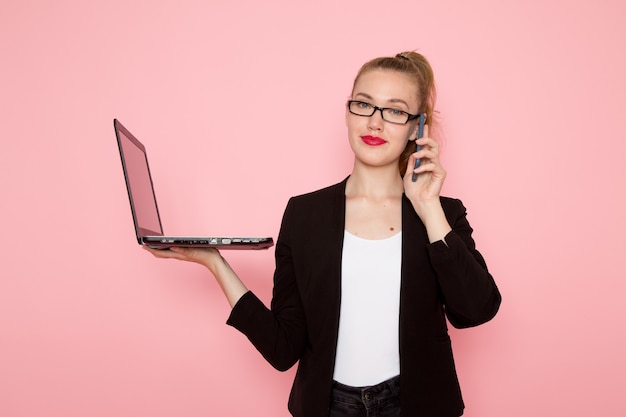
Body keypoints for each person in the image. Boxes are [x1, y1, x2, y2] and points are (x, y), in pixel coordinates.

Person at [146, 51, 502, 417]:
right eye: (364, 105)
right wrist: (214, 263)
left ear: (417, 127)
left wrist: (428, 207)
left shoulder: (443, 213)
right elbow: (284, 348)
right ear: (348, 113)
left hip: (419, 405)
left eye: (395, 110)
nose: (375, 123)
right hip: (330, 407)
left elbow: (475, 310)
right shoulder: (304, 215)